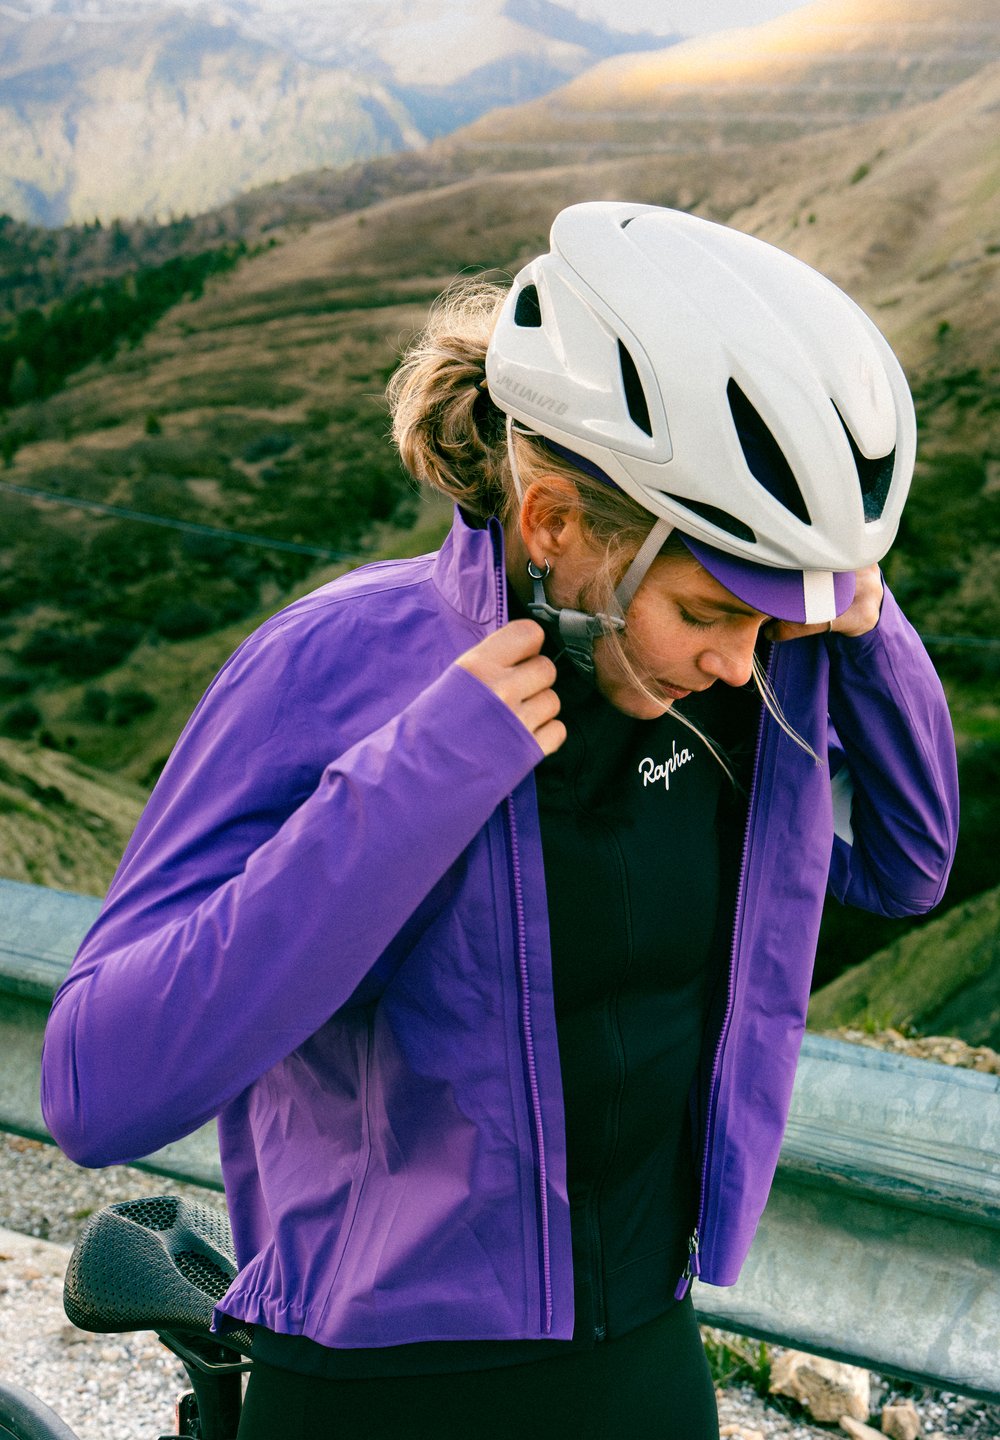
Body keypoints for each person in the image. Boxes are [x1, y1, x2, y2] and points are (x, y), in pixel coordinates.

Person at [40, 202, 958, 1440]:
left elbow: (906, 870)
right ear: (556, 526)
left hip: (644, 1359)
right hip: (377, 1390)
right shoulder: (330, 667)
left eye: (773, 623)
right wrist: (417, 778)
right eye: (704, 612)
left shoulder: (752, 674)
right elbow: (98, 1089)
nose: (741, 665)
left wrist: (863, 625)